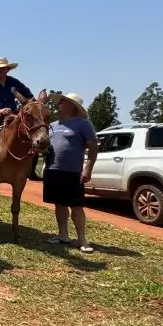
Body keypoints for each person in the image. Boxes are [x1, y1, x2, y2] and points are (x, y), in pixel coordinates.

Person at [44, 93, 98, 253]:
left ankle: (82, 239)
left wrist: (88, 168)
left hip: (72, 171)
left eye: (62, 102)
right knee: (59, 205)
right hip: (52, 169)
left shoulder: (83, 124)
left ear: (72, 106)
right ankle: (63, 235)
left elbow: (93, 147)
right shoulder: (52, 125)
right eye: (59, 101)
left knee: (76, 206)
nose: (58, 104)